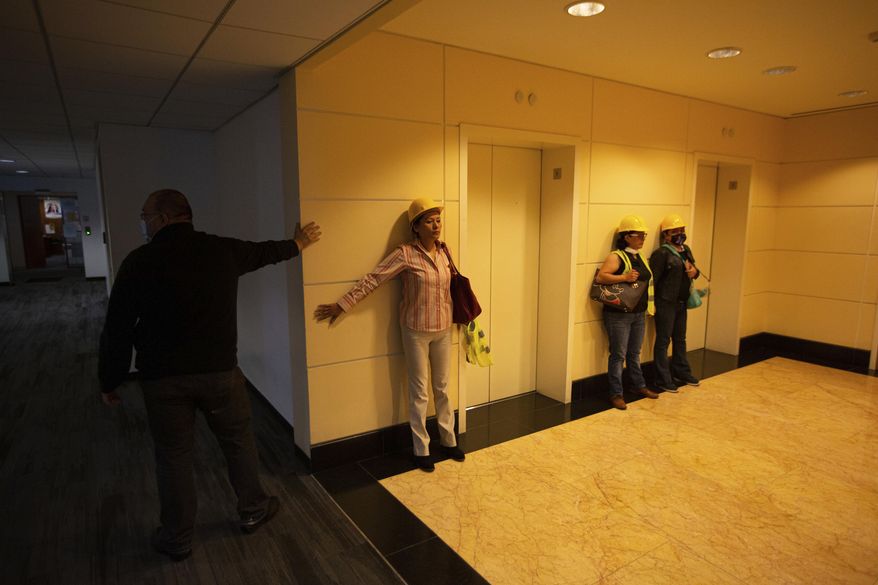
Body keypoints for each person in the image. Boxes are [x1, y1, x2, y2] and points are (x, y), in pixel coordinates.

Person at [98, 189, 321, 562]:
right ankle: (253, 509)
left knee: (173, 457)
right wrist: (298, 244)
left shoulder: (138, 262)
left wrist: (110, 379)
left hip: (163, 381)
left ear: (164, 218)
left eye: (145, 216)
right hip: (220, 375)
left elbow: (117, 328)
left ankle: (177, 538)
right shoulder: (221, 250)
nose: (143, 223)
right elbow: (264, 253)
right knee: (237, 443)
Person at [313, 197, 466, 473]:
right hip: (415, 331)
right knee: (419, 391)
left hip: (443, 329)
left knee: (443, 388)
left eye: (438, 220)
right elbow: (374, 279)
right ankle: (421, 449)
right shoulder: (405, 254)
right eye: (429, 221)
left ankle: (449, 441)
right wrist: (343, 304)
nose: (436, 226)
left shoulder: (445, 251)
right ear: (416, 226)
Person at [595, 215, 659, 410]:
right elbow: (601, 277)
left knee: (634, 353)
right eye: (638, 235)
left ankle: (638, 385)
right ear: (626, 236)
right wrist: (624, 277)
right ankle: (616, 393)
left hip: (638, 313)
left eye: (643, 235)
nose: (642, 238)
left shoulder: (640, 256)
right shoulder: (616, 256)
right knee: (618, 354)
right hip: (619, 314)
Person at [649, 213, 701, 392]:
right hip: (665, 302)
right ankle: (662, 378)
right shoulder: (661, 253)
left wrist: (695, 272)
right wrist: (652, 304)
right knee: (663, 340)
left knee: (680, 339)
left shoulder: (686, 250)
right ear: (666, 235)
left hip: (681, 302)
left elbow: (694, 270)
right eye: (675, 231)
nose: (680, 234)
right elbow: (654, 281)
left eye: (681, 230)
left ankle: (681, 371)